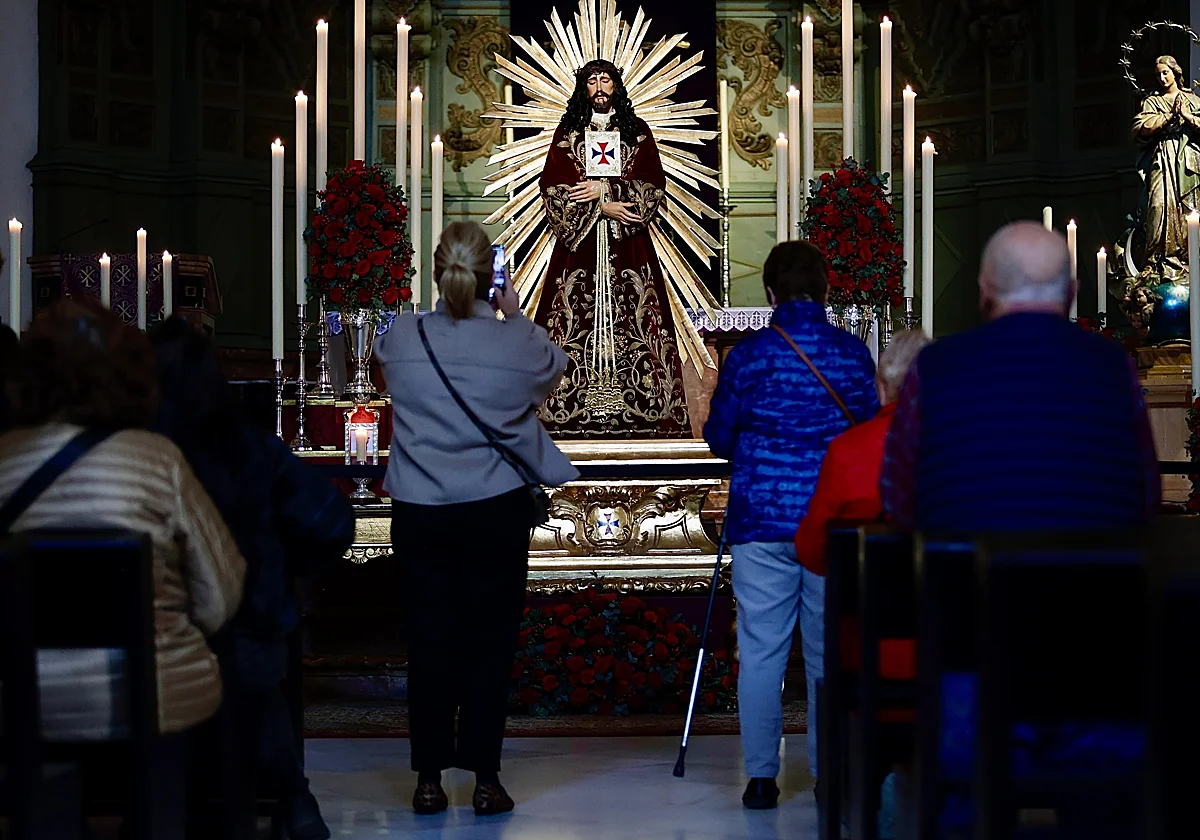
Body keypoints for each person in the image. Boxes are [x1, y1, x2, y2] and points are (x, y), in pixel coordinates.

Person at [0, 299, 244, 803]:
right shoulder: (156, 462)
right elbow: (218, 601)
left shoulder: (4, 462)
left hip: (18, 705)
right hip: (158, 702)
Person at [374, 221, 578, 816]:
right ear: (494, 276)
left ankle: (429, 780)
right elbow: (553, 365)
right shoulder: (516, 342)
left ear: (435, 273)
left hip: (420, 511)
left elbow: (385, 365)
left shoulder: (402, 336)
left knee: (429, 642)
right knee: (490, 644)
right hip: (495, 509)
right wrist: (512, 314)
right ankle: (486, 778)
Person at [151, 316, 355, 840]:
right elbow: (330, 521)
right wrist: (285, 564)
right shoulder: (250, 448)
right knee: (251, 679)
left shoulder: (138, 452)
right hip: (249, 633)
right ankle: (292, 794)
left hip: (154, 644)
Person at [703, 240, 878, 809]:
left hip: (761, 519)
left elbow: (720, 437)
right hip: (832, 522)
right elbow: (870, 431)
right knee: (828, 651)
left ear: (771, 294)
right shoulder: (852, 355)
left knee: (760, 650)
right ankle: (830, 774)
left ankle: (759, 778)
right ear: (826, 291)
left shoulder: (749, 357)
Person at [881, 221, 1160, 531]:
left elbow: (898, 494)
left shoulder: (934, 366)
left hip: (963, 573)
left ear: (983, 290)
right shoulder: (1113, 366)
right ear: (1071, 292)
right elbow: (1146, 493)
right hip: (1091, 572)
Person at [533, 58, 690, 438]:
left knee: (640, 318)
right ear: (583, 89)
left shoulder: (636, 133)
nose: (599, 88)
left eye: (605, 80)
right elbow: (554, 188)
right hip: (580, 249)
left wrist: (609, 190)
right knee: (569, 316)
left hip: (628, 246)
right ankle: (564, 412)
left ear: (616, 86)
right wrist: (601, 206)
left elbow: (652, 185)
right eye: (592, 81)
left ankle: (647, 413)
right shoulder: (569, 134)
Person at [795, 329, 929, 574]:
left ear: (881, 389)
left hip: (862, 597)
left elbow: (812, 548)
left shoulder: (849, 449)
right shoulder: (958, 442)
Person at [1132, 54, 1200, 284]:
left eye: (1165, 72)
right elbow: (1140, 126)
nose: (1162, 78)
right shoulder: (1153, 101)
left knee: (1188, 210)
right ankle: (1157, 261)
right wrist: (1168, 117)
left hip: (1188, 162)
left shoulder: (1192, 100)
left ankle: (1189, 259)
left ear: (1176, 73)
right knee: (1158, 205)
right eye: (1158, 74)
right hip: (1162, 159)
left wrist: (1188, 117)